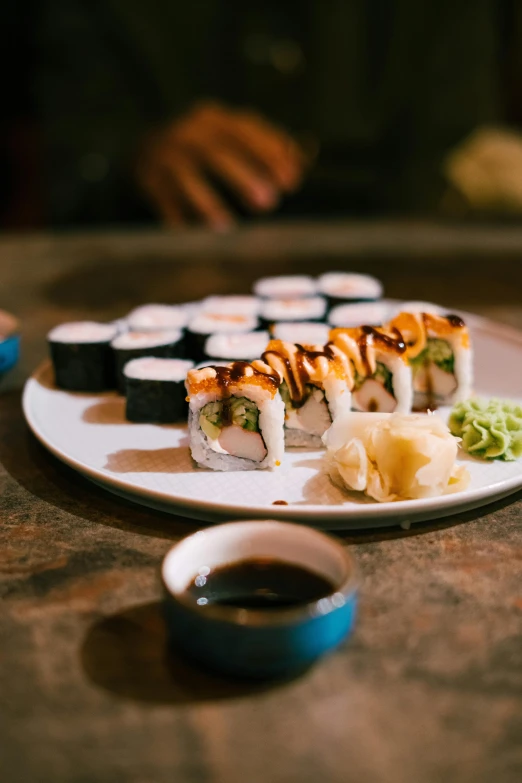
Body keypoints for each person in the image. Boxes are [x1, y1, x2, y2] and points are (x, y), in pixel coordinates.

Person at [34, 0, 508, 227]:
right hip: (162, 240)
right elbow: (71, 146)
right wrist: (138, 151)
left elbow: (447, 124)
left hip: (392, 243)